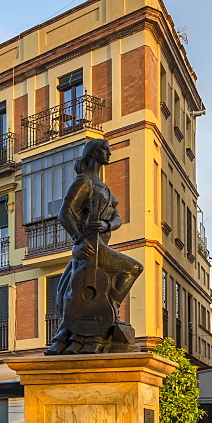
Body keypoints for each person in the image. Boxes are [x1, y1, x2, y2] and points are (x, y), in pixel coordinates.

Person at [45, 138, 143, 355]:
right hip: (88, 247)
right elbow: (65, 213)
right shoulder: (83, 182)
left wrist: (107, 224)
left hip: (101, 247)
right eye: (105, 150)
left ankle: (108, 311)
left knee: (106, 283)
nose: (109, 153)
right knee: (134, 268)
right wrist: (78, 238)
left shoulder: (105, 189)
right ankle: (110, 310)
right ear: (92, 153)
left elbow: (118, 218)